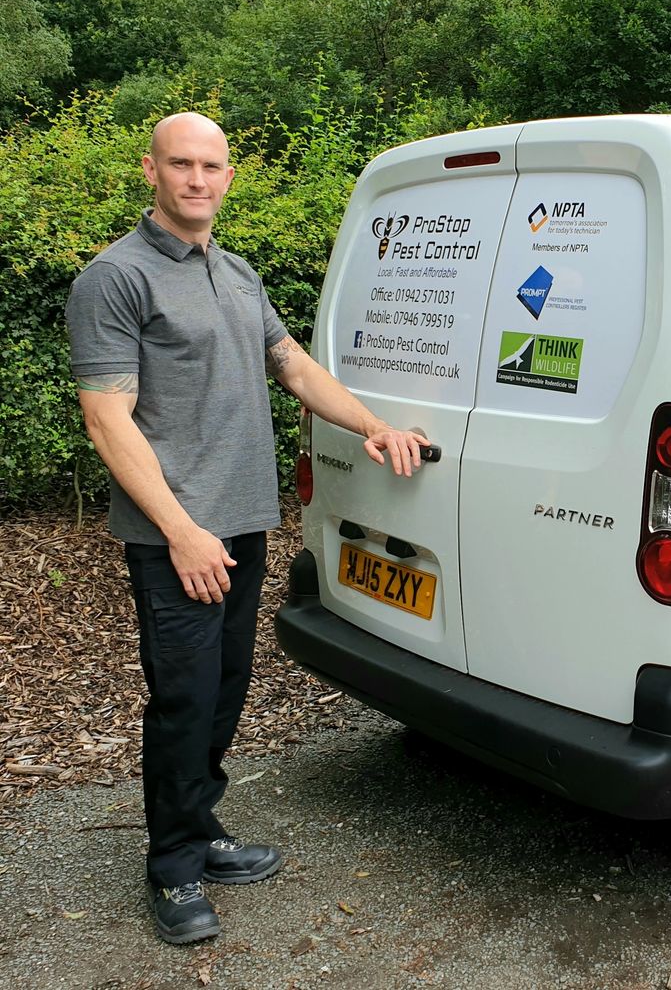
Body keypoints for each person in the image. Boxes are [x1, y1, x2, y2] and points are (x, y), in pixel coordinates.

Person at [65, 112, 429, 945]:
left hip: (244, 523)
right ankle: (172, 870)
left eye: (212, 166)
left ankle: (201, 829)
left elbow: (292, 363)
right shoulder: (115, 279)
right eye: (182, 164)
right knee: (184, 700)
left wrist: (370, 425)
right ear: (150, 170)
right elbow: (107, 421)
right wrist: (183, 532)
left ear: (229, 176)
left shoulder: (234, 270)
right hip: (177, 537)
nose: (198, 179)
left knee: (225, 691)